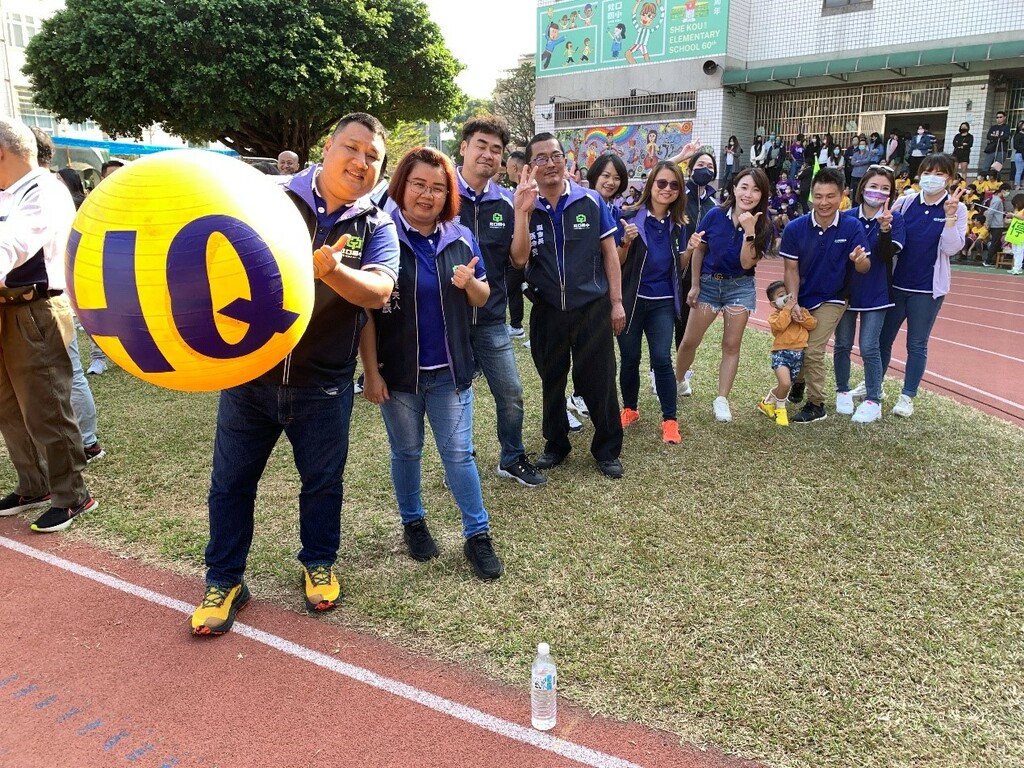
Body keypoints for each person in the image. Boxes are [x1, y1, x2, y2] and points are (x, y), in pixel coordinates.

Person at [191, 113, 400, 636]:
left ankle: (319, 561)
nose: (361, 162)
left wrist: (332, 270)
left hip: (324, 383)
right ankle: (225, 579)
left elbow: (378, 291)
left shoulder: (377, 223)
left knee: (323, 483)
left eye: (372, 157)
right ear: (327, 148)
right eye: (352, 148)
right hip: (251, 376)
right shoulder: (271, 198)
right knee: (232, 483)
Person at [360, 146, 504, 580]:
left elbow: (484, 295)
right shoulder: (381, 236)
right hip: (399, 375)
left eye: (438, 188)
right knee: (406, 451)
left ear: (449, 195)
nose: (428, 195)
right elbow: (365, 311)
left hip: (451, 372)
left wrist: (469, 285)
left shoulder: (459, 237)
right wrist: (371, 372)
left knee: (459, 454)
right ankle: (413, 522)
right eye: (419, 185)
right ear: (402, 187)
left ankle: (477, 535)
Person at [0, 119, 97, 533]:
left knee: (47, 407)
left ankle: (72, 495)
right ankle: (33, 484)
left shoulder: (45, 190)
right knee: (8, 407)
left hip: (34, 309)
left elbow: (15, 244)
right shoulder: (9, 193)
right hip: (8, 308)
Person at [511, 133, 625, 479]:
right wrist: (522, 214)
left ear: (566, 160)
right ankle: (555, 445)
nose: (550, 163)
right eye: (541, 158)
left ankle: (607, 450)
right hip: (547, 310)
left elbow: (610, 254)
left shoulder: (591, 201)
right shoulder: (525, 205)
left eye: (556, 155)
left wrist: (616, 303)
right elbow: (518, 260)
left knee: (600, 380)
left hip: (592, 308)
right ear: (530, 167)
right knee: (552, 379)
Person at [455, 116, 545, 487]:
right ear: (463, 147)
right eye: (481, 145)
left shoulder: (506, 202)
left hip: (491, 318)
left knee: (510, 392)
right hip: (448, 319)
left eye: (496, 150)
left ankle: (511, 457)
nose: (488, 155)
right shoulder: (441, 193)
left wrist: (523, 212)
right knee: (455, 399)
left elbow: (519, 259)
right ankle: (458, 461)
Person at [673, 167, 773, 422]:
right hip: (708, 284)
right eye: (744, 187)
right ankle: (678, 381)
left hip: (739, 287)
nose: (748, 194)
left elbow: (746, 263)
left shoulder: (764, 225)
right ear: (734, 188)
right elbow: (700, 251)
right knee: (689, 341)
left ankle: (721, 399)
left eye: (755, 189)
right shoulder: (715, 215)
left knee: (731, 345)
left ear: (762, 195)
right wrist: (694, 285)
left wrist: (749, 230)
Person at [878, 153, 967, 418]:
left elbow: (951, 248)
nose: (933, 178)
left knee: (917, 344)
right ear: (920, 174)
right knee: (883, 340)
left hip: (927, 290)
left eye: (940, 174)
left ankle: (907, 396)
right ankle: (875, 384)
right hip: (897, 285)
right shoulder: (904, 203)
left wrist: (950, 217)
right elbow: (885, 231)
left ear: (949, 178)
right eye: (928, 172)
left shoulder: (957, 208)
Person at [781, 167, 871, 424]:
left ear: (842, 195)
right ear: (811, 196)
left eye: (830, 196)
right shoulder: (795, 228)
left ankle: (816, 403)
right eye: (818, 196)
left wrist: (859, 260)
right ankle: (798, 382)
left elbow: (865, 267)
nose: (824, 202)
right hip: (803, 295)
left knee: (812, 349)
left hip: (834, 297)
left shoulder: (852, 226)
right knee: (794, 344)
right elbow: (791, 269)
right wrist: (793, 302)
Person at [617, 161, 686, 444]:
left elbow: (677, 268)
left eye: (674, 185)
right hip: (631, 301)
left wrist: (690, 250)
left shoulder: (678, 224)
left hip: (662, 303)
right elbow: (617, 263)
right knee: (630, 358)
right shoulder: (629, 217)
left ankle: (670, 420)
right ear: (651, 185)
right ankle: (630, 409)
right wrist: (625, 243)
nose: (667, 189)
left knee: (661, 359)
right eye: (661, 183)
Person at [835, 166, 905, 423]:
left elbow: (887, 256)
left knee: (868, 347)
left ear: (891, 194)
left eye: (885, 188)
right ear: (862, 187)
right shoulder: (846, 217)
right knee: (842, 344)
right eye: (873, 186)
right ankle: (842, 390)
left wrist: (885, 229)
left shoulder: (894, 220)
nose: (878, 192)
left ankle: (873, 398)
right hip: (847, 292)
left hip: (877, 292)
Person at [51, 160, 104, 463]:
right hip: (60, 300)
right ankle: (84, 440)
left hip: (58, 302)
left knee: (70, 373)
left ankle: (88, 441)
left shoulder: (62, 209)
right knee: (66, 374)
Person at [672, 150, 719, 396]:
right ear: (689, 169)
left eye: (709, 166)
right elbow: (658, 174)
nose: (705, 169)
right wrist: (681, 155)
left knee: (686, 327)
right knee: (664, 323)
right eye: (700, 164)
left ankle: (680, 377)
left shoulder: (714, 204)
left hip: (696, 276)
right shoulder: (679, 193)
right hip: (671, 267)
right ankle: (656, 376)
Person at [759, 281, 816, 426]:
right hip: (781, 354)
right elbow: (779, 326)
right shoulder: (775, 316)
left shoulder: (801, 311)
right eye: (781, 296)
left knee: (785, 385)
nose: (786, 298)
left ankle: (766, 403)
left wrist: (801, 317)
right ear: (773, 303)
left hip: (798, 356)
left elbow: (812, 324)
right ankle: (781, 410)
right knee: (784, 383)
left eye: (787, 294)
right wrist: (787, 310)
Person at [505, 150, 527, 337]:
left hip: (525, 252)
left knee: (512, 287)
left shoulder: (530, 189)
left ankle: (516, 325)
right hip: (516, 252)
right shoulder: (514, 192)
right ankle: (516, 325)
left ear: (513, 167)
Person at [983, 182, 1010, 267]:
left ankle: (993, 260)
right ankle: (987, 261)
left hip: (997, 224)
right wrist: (988, 223)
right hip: (996, 225)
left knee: (997, 243)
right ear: (1002, 190)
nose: (1007, 193)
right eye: (1007, 191)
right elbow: (990, 213)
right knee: (995, 243)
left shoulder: (996, 199)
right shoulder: (997, 200)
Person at [980, 111, 1010, 182]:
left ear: (1004, 118)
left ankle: (996, 182)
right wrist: (998, 137)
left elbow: (1005, 137)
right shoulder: (993, 127)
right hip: (991, 149)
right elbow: (988, 136)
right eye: (997, 117)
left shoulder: (1006, 127)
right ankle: (983, 182)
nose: (998, 119)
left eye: (1000, 117)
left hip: (1001, 149)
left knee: (997, 167)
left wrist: (996, 137)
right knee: (986, 166)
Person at [1007, 194, 1024, 275]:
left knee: (1020, 251)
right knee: (1015, 251)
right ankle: (1016, 267)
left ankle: (1017, 268)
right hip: (1014, 233)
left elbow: (1022, 218)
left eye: (1016, 204)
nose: (1015, 206)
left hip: (1021, 234)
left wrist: (1013, 215)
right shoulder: (1017, 211)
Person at [1011, 120, 1024, 189]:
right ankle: (1017, 185)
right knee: (1019, 171)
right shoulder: (1018, 135)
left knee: (1020, 171)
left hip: (1021, 154)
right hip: (1019, 154)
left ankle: (1020, 184)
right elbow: (1015, 146)